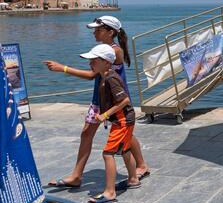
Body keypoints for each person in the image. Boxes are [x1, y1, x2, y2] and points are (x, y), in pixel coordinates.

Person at [45, 16, 149, 188]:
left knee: (125, 134)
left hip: (115, 101)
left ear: (110, 32)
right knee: (87, 133)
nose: (94, 33)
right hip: (99, 99)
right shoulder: (102, 50)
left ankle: (141, 165)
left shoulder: (114, 51)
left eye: (98, 30)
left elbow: (91, 75)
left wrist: (63, 68)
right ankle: (76, 176)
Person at [81, 44, 139, 203]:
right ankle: (133, 179)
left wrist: (105, 115)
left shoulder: (111, 79)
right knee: (125, 150)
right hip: (123, 120)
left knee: (108, 154)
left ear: (106, 62)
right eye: (90, 60)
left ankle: (110, 193)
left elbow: (125, 100)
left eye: (94, 60)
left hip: (122, 121)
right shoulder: (104, 76)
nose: (90, 63)